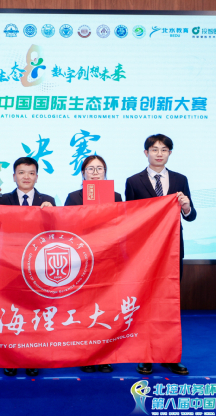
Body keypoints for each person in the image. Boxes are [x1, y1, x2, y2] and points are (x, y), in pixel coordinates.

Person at [124, 134, 196, 376]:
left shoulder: (180, 179)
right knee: (145, 303)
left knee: (169, 303)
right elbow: (129, 218)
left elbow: (191, 215)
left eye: (164, 149)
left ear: (170, 153)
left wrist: (186, 206)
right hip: (144, 252)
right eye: (154, 149)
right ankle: (145, 356)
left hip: (172, 250)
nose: (159, 153)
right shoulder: (133, 181)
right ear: (146, 153)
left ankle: (170, 356)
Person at [0, 157, 55, 377]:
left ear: (37, 176)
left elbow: (55, 232)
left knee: (35, 312)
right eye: (22, 172)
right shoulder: (3, 199)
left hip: (37, 267)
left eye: (31, 173)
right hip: (9, 264)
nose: (26, 177)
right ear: (14, 176)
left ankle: (33, 356)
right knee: (10, 312)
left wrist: (53, 213)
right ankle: (11, 358)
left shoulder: (48, 200)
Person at [64, 154, 121, 374]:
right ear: (83, 173)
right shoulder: (73, 197)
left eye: (99, 169)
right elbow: (66, 227)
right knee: (84, 308)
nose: (95, 172)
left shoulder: (116, 196)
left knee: (104, 308)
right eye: (90, 169)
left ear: (105, 173)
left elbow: (122, 224)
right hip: (83, 260)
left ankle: (104, 355)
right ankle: (85, 354)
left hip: (107, 259)